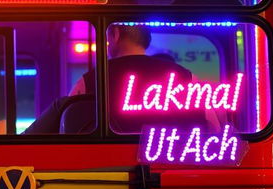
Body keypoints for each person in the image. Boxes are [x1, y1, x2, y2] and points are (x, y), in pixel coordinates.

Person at [24, 25, 195, 134]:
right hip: (171, 165)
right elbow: (212, 125)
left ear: (115, 34)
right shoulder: (186, 76)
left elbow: (67, 123)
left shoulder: (91, 79)